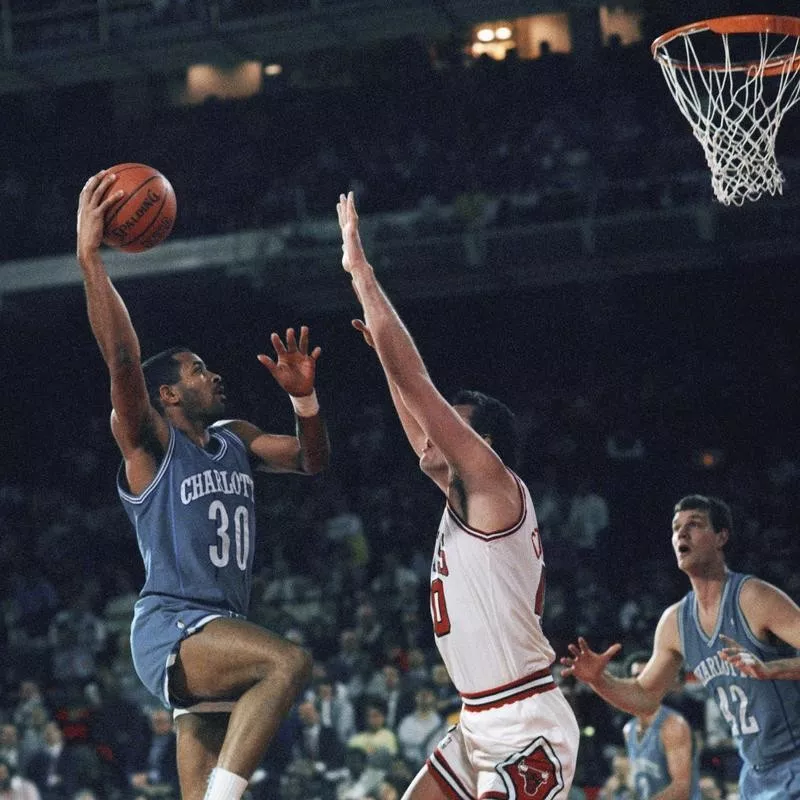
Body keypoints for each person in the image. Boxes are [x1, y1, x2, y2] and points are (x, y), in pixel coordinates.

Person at [76, 168, 331, 800]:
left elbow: (311, 461)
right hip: (174, 624)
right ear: (166, 393)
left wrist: (306, 402)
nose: (211, 375)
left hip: (221, 624)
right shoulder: (149, 442)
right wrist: (90, 258)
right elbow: (122, 360)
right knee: (288, 663)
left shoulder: (235, 437)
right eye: (196, 371)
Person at [336, 189, 579, 799]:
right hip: (478, 719)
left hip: (526, 719)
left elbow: (418, 384)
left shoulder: (494, 485)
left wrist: (361, 272)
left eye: (451, 419)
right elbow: (416, 414)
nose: (432, 427)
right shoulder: (461, 500)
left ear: (483, 441)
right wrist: (392, 370)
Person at [560, 495, 800, 800]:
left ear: (721, 537)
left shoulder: (752, 597)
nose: (682, 534)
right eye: (676, 528)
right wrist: (598, 679)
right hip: (755, 771)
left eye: (694, 525)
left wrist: (771, 668)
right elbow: (645, 698)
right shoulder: (675, 622)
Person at [621, 652, 700, 799]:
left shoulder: (673, 726)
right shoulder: (628, 729)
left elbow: (681, 789)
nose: (641, 681)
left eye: (647, 675)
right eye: (636, 675)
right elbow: (640, 782)